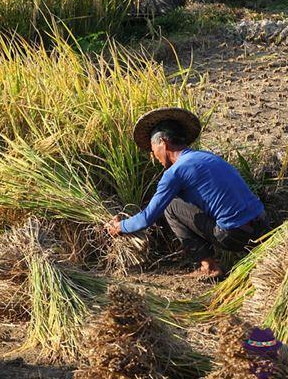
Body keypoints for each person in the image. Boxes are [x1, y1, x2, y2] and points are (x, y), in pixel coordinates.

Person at [105, 107, 266, 277]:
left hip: (235, 236)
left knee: (171, 206)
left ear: (163, 143)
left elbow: (147, 218)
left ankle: (209, 266)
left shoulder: (175, 172)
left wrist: (120, 226)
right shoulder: (207, 157)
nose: (154, 157)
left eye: (153, 151)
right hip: (262, 225)